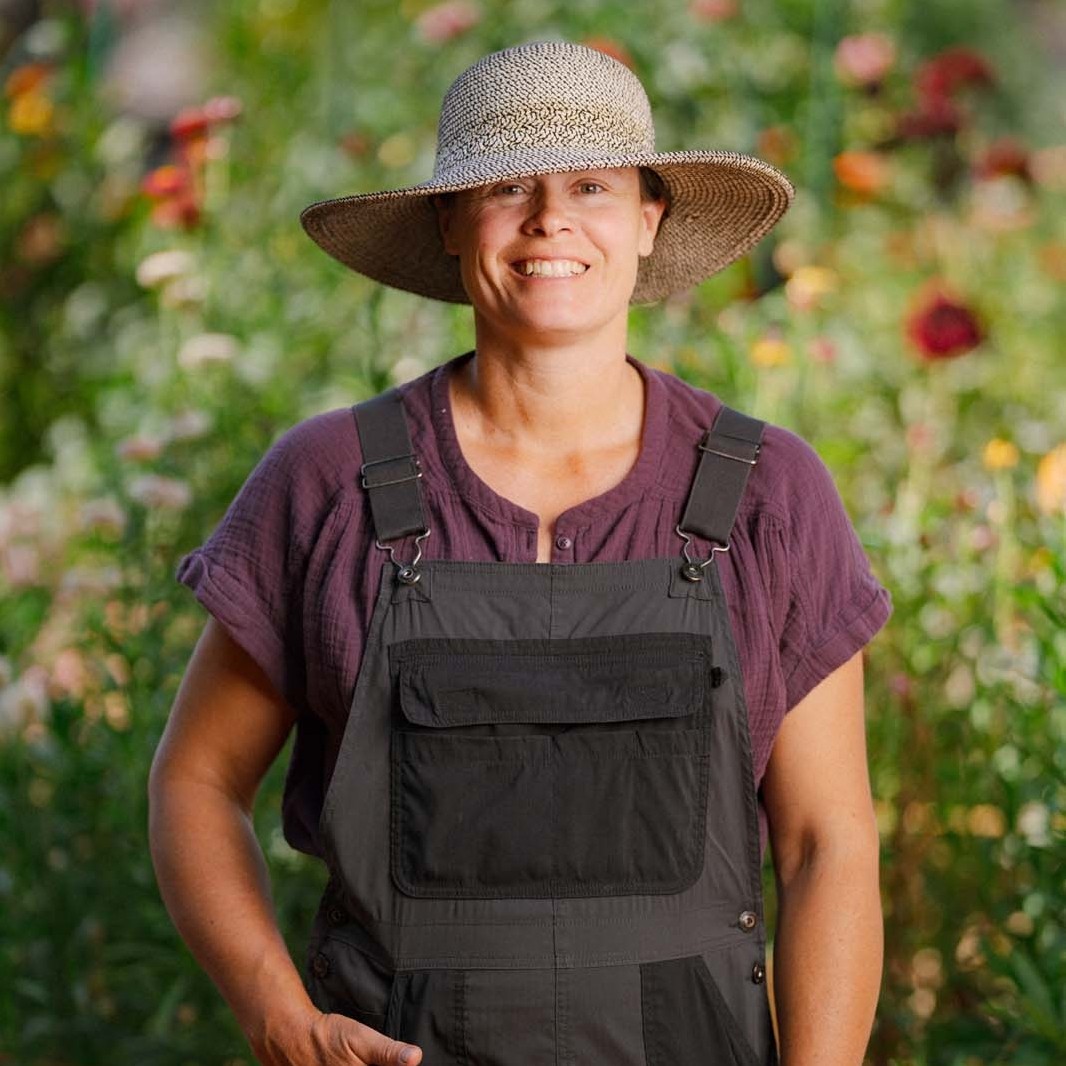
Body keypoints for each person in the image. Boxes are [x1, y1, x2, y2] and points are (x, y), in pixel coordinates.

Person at [148, 40, 891, 1066]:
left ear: (648, 219)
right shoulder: (326, 481)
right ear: (449, 222)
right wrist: (278, 1016)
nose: (550, 219)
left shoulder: (770, 493)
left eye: (591, 186)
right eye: (507, 187)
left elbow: (826, 845)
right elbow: (195, 780)